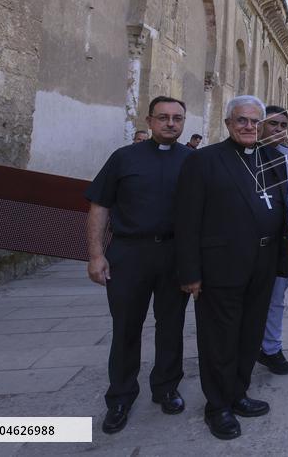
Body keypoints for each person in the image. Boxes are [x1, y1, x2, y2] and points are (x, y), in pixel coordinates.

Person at [175, 95, 288, 441]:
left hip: (264, 263)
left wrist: (282, 261)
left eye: (256, 122)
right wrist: (189, 272)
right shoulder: (206, 161)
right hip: (220, 266)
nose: (249, 127)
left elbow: (281, 209)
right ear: (228, 123)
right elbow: (186, 220)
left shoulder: (274, 159)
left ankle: (239, 393)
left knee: (250, 334)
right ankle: (218, 406)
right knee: (219, 339)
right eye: (242, 120)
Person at [85, 96, 192, 434]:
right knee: (127, 327)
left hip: (175, 254)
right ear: (149, 120)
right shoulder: (123, 158)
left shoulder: (193, 161)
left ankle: (166, 387)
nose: (170, 123)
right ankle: (120, 396)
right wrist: (95, 255)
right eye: (163, 117)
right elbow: (99, 207)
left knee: (171, 325)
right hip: (129, 254)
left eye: (177, 118)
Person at [257, 106, 288, 375]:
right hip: (249, 241)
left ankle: (271, 348)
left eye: (283, 125)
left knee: (277, 296)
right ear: (261, 125)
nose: (278, 130)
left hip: (284, 238)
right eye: (272, 124)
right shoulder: (246, 157)